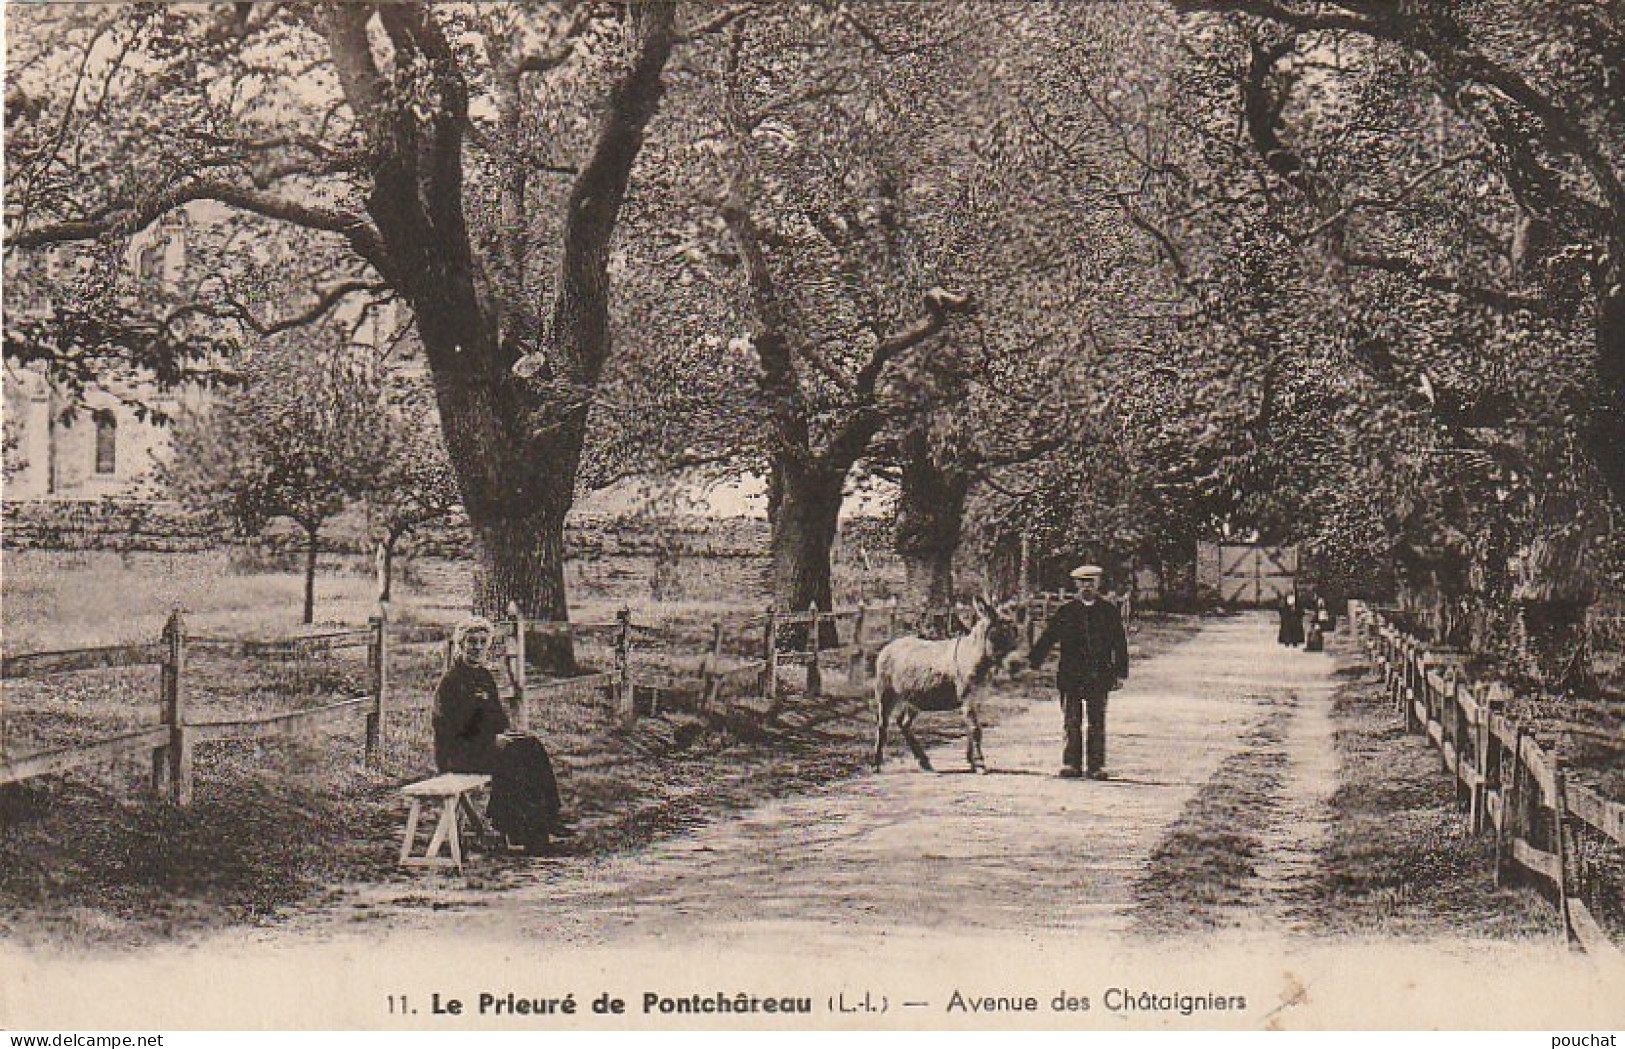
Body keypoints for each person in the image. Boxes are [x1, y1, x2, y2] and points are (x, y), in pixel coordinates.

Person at [433, 617, 573, 854]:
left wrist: (497, 735)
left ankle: (547, 818)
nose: (477, 647)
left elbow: (498, 718)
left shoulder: (484, 677)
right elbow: (453, 729)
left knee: (531, 745)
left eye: (482, 642)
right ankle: (517, 829)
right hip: (457, 753)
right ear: (460, 645)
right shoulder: (452, 682)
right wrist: (488, 739)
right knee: (512, 755)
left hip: (484, 747)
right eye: (472, 642)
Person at [1028, 564, 1130, 780]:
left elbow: (1119, 644)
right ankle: (1071, 764)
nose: (1087, 587)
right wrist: (1033, 662)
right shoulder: (1066, 611)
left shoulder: (1108, 612)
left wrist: (1121, 673)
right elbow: (1048, 638)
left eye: (1091, 582)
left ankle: (1096, 766)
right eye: (1082, 582)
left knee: (1097, 722)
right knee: (1071, 721)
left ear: (1098, 584)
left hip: (1099, 676)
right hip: (1071, 676)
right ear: (1075, 584)